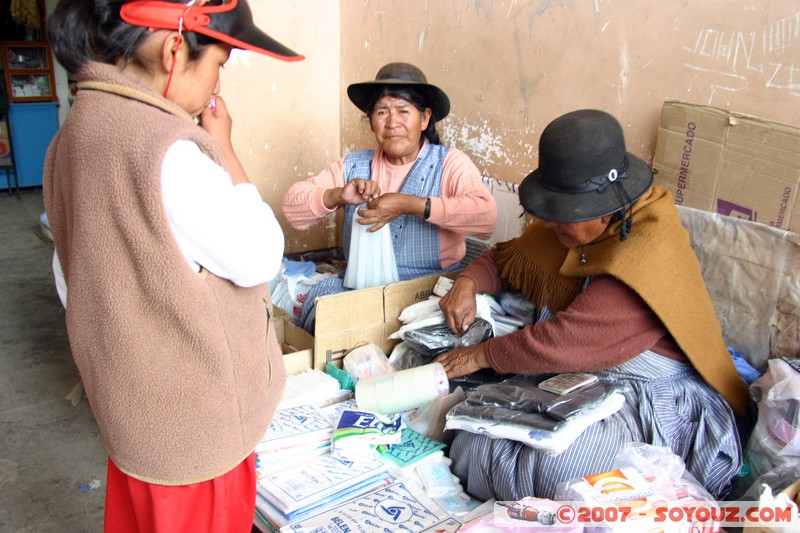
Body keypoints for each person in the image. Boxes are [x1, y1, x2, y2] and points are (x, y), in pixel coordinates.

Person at [43, 1, 302, 531]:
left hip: (133, 420)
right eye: (219, 66)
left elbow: (73, 278)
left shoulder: (75, 133)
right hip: (191, 437)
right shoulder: (166, 152)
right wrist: (225, 147)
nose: (214, 88)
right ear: (174, 49)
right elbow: (259, 255)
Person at [435, 109, 751, 502]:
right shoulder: (572, 229)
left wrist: (481, 354)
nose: (548, 225)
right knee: (470, 440)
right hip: (576, 378)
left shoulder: (648, 251)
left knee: (565, 472)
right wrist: (467, 281)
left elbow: (564, 342)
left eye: (561, 216)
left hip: (646, 394)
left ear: (604, 211)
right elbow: (504, 257)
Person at [281, 62, 497, 330]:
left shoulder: (450, 163)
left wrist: (410, 204)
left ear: (425, 118)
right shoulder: (354, 166)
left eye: (404, 111)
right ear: (372, 121)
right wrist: (338, 195)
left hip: (427, 293)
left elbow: (487, 218)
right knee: (325, 319)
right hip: (362, 289)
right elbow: (292, 208)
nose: (392, 122)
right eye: (382, 112)